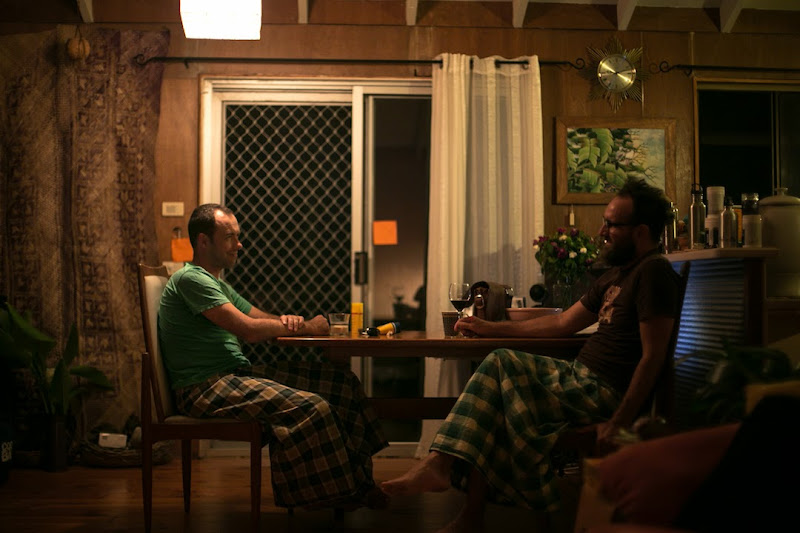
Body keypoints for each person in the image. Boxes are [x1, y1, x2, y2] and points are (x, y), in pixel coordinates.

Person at [381, 178, 681, 532]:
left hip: (601, 391)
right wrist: (490, 328)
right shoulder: (617, 274)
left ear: (641, 231)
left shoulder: (654, 271)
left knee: (500, 362)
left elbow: (653, 357)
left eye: (611, 224)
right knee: (493, 403)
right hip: (578, 382)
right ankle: (467, 512)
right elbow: (562, 323)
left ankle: (441, 467)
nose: (601, 232)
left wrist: (620, 420)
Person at [158, 203, 389, 510]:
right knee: (312, 406)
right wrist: (309, 327)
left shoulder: (217, 283)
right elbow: (248, 330)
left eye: (238, 236)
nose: (239, 244)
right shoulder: (192, 280)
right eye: (229, 237)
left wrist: (289, 322)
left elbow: (258, 317)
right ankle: (335, 494)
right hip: (203, 387)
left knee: (341, 383)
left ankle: (360, 481)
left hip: (232, 376)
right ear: (203, 241)